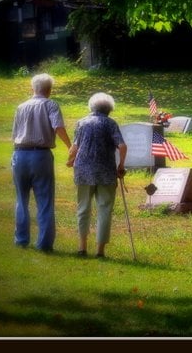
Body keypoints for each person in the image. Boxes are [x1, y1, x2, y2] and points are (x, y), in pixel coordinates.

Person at [12, 73, 72, 252]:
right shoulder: (50, 104)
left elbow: (15, 134)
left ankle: (21, 240)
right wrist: (70, 146)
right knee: (45, 200)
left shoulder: (21, 107)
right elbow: (58, 127)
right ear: (49, 90)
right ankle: (44, 244)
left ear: (33, 88)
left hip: (19, 154)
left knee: (21, 200)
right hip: (41, 156)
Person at [66, 92, 127, 259]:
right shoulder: (110, 123)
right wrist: (121, 165)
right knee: (105, 208)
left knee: (83, 207)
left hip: (84, 171)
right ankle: (100, 251)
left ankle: (82, 247)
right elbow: (122, 146)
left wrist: (70, 160)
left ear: (91, 106)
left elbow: (75, 147)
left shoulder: (82, 122)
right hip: (106, 171)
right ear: (109, 109)